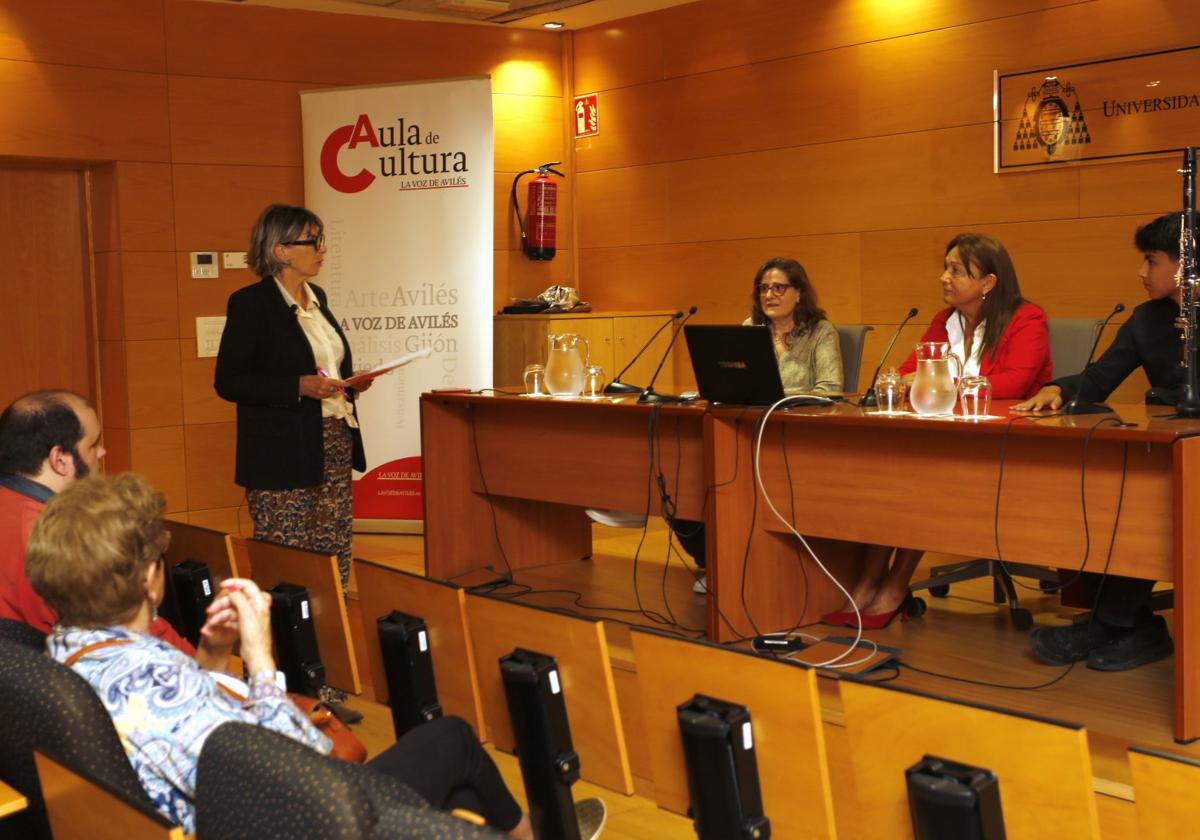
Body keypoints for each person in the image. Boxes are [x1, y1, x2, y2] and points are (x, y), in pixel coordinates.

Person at [26, 473, 534, 839]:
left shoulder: (68, 648)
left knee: (458, 798)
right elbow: (297, 764)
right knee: (453, 742)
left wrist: (214, 652)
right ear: (147, 579)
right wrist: (261, 658)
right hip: (281, 818)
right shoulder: (154, 682)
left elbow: (186, 727)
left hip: (214, 811)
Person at [823, 233, 1052, 628]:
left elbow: (1013, 383)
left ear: (989, 283)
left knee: (916, 482)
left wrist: (939, 384)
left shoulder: (1026, 319)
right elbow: (910, 371)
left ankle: (894, 586)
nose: (944, 277)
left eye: (957, 270)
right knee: (891, 479)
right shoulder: (943, 322)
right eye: (946, 268)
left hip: (1005, 448)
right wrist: (918, 380)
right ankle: (868, 582)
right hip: (946, 438)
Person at [1012, 212, 1184, 671]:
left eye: (1151, 261)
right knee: (1101, 491)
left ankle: (1116, 625)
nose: (1141, 273)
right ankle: (1127, 626)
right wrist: (1060, 390)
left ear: (1186, 264)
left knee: (1139, 502)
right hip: (1171, 455)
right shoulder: (1147, 320)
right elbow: (1102, 376)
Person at [215, 204, 370, 588]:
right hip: (280, 452)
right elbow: (229, 381)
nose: (322, 249)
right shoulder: (250, 304)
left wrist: (348, 382)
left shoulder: (316, 297)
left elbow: (323, 363)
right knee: (287, 553)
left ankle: (330, 630)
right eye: (313, 241)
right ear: (281, 250)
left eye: (321, 240)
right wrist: (296, 386)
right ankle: (282, 635)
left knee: (332, 544)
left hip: (333, 440)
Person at [675, 257, 843, 593]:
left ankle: (752, 566)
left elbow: (831, 390)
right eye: (763, 288)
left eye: (779, 287)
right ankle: (718, 562)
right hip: (747, 432)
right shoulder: (749, 328)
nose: (769, 295)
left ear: (799, 293)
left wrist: (775, 396)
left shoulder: (820, 332)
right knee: (688, 484)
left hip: (797, 438)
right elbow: (735, 383)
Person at [0, 390, 196, 656]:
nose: (102, 452)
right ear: (60, 459)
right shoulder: (60, 540)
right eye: (93, 445)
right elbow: (131, 633)